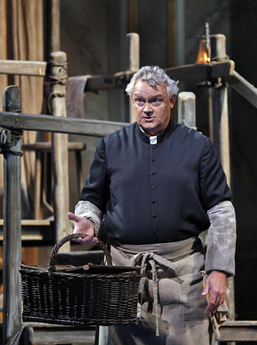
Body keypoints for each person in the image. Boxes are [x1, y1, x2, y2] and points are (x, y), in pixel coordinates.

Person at [67, 65, 236, 345]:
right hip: (124, 277)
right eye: (139, 100)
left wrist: (219, 270)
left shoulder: (198, 146)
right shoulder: (110, 147)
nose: (147, 108)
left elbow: (221, 211)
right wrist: (88, 220)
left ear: (171, 100)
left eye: (155, 100)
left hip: (184, 274)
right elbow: (92, 200)